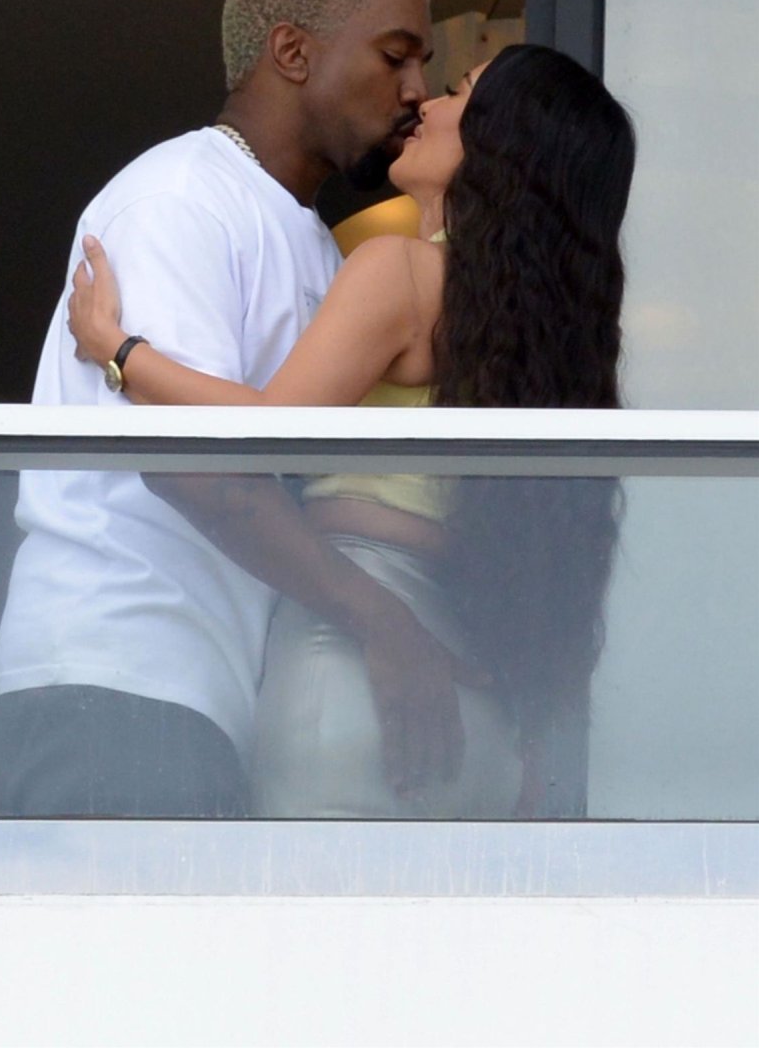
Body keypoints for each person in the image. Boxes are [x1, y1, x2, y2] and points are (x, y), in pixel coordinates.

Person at [68, 44, 637, 816]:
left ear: (502, 140)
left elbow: (266, 431)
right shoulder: (550, 345)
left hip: (356, 667)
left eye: (458, 93)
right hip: (486, 708)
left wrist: (119, 352)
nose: (425, 105)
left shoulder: (398, 272)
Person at [0, 0, 483, 819]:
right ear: (292, 52)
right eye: (395, 56)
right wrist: (382, 620)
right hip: (121, 675)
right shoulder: (181, 197)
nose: (416, 90)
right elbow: (196, 464)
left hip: (209, 692)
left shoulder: (315, 239)